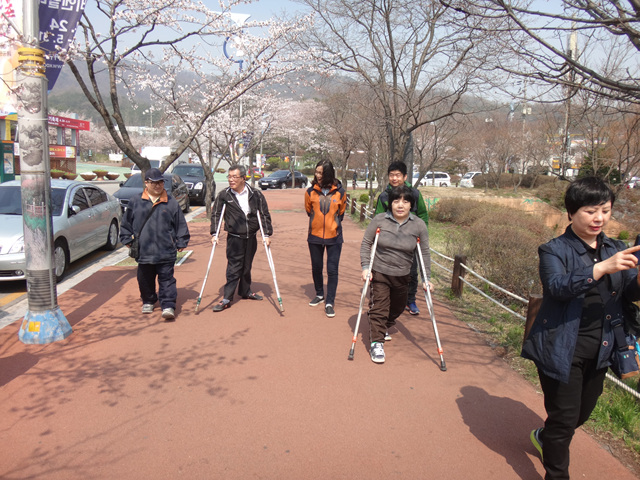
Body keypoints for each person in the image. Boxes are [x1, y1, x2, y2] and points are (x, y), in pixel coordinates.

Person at [522, 176, 640, 480]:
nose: (599, 218)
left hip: (601, 347)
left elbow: (630, 294)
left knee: (580, 415)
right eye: (590, 211)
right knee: (563, 421)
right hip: (561, 347)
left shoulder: (616, 248)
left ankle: (545, 438)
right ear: (571, 213)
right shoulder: (554, 250)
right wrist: (601, 268)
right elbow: (557, 287)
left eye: (605, 210)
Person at [361, 185, 433, 364]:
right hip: (380, 272)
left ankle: (382, 323)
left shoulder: (418, 225)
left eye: (405, 201)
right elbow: (366, 243)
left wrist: (427, 279)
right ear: (390, 203)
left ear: (411, 205)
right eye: (396, 201)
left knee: (399, 307)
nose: (400, 205)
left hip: (403, 274)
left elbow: (424, 253)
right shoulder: (380, 220)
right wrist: (365, 267)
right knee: (380, 306)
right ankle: (376, 342)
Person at [120, 167, 190, 321]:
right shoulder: (136, 201)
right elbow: (126, 224)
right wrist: (127, 240)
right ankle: (148, 300)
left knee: (167, 279)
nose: (158, 186)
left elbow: (180, 223)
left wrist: (181, 240)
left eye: (160, 182)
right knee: (144, 279)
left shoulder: (171, 202)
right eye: (154, 183)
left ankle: (168, 305)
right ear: (146, 183)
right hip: (144, 251)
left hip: (166, 250)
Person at [210, 164, 273, 312]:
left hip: (251, 236)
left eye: (234, 177)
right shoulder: (225, 195)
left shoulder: (255, 194)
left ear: (243, 178)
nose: (231, 180)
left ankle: (245, 291)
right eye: (229, 177)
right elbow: (216, 215)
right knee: (234, 267)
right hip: (234, 237)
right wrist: (214, 233)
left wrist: (267, 234)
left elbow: (264, 214)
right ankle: (227, 297)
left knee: (247, 265)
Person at [374, 161, 430, 315]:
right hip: (390, 238)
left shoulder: (415, 194)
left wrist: (421, 232)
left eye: (398, 175)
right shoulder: (384, 196)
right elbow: (378, 217)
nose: (394, 178)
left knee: (411, 271)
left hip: (410, 238)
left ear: (405, 176)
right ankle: (390, 298)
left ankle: (410, 300)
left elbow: (423, 215)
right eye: (391, 175)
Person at [305, 159, 347, 318]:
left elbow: (341, 213)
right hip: (314, 236)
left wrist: (332, 225)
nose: (318, 175)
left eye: (321, 173)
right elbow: (309, 211)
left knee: (332, 270)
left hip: (334, 237)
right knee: (316, 267)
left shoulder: (340, 192)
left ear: (329, 174)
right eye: (316, 172)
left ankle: (330, 301)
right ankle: (319, 294)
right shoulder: (310, 192)